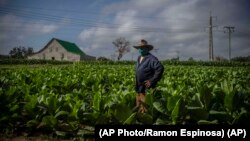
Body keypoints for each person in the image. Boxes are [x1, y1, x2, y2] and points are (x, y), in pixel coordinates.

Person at [133, 39, 164, 113]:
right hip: (139, 86)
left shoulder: (151, 58)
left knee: (145, 107)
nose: (141, 49)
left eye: (143, 48)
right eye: (139, 48)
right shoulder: (139, 57)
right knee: (139, 106)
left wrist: (152, 80)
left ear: (147, 49)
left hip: (146, 87)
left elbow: (160, 68)